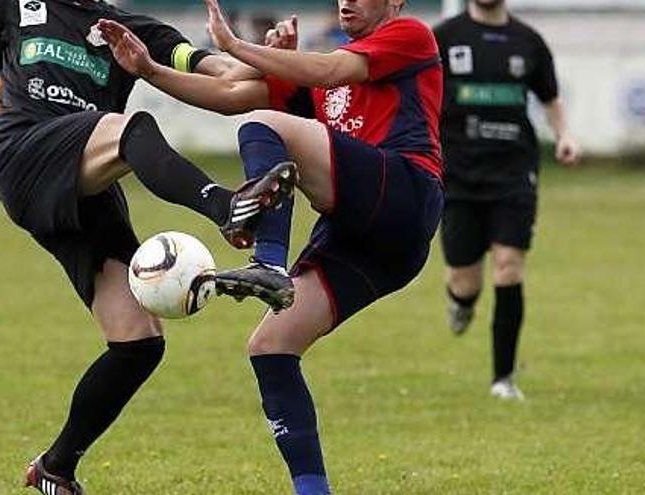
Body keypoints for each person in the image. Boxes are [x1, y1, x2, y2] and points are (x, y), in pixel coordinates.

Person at [0, 1, 295, 494]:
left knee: (138, 341)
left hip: (88, 182)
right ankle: (227, 208)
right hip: (26, 158)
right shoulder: (15, 6)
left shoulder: (136, 30)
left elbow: (228, 75)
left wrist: (266, 58)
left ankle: (55, 467)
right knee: (128, 129)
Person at [99, 0, 443, 491]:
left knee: (267, 128)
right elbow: (230, 93)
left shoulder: (409, 36)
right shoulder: (319, 75)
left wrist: (240, 46)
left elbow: (329, 69)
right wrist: (148, 70)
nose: (347, 0)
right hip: (373, 243)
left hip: (405, 194)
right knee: (270, 347)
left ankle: (268, 260)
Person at [433, 0, 580, 400]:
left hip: (514, 175)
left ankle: (503, 380)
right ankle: (460, 302)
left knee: (508, 266)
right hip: (459, 177)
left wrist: (564, 135)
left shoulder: (528, 42)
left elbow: (550, 98)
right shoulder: (444, 38)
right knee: (464, 280)